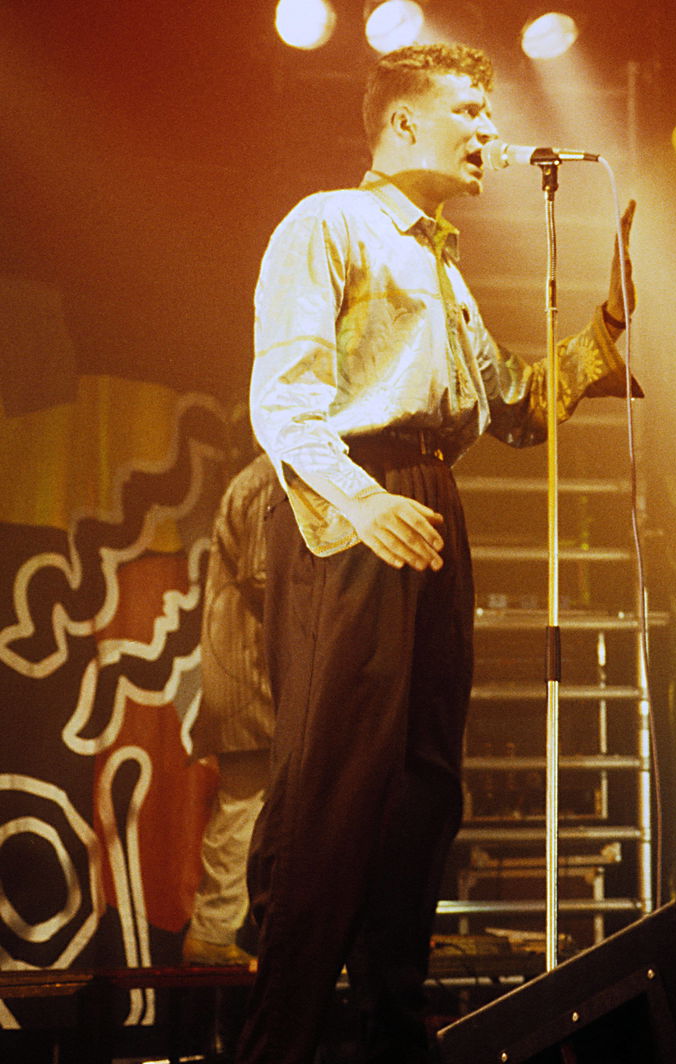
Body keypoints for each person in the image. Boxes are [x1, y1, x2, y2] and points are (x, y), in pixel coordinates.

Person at [241, 43, 638, 1064]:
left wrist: (605, 325)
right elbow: (283, 399)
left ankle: (391, 1020)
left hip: (428, 499)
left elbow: (512, 405)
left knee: (423, 777)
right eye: (468, 109)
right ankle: (276, 1033)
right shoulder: (329, 222)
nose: (486, 131)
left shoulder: (442, 264)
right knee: (338, 773)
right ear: (405, 122)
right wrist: (362, 501)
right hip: (350, 500)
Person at [182, 452, 276, 968]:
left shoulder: (264, 478)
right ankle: (213, 933)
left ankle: (219, 932)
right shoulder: (269, 481)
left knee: (253, 804)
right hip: (252, 674)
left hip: (247, 672)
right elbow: (265, 577)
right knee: (245, 802)